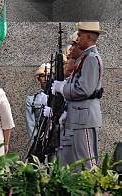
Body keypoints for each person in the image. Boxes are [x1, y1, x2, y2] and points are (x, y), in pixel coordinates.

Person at [53, 22, 104, 169]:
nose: (78, 38)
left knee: (87, 163)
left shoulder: (92, 58)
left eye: (80, 35)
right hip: (78, 116)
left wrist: (63, 88)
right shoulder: (85, 58)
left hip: (85, 118)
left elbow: (83, 90)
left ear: (88, 37)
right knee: (76, 164)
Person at [25, 63, 50, 139]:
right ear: (38, 78)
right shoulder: (32, 100)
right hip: (41, 138)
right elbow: (31, 125)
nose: (46, 79)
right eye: (42, 76)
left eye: (48, 76)